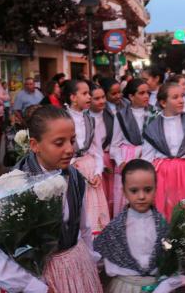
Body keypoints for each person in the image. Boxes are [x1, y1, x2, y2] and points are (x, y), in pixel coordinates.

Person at [0, 106, 102, 293]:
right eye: (59, 143)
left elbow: (82, 226)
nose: (70, 149)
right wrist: (35, 287)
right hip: (36, 279)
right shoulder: (15, 189)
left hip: (75, 268)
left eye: (72, 140)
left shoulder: (75, 178)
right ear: (34, 145)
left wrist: (89, 260)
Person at [94, 159, 185, 293]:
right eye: (134, 190)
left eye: (148, 190)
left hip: (156, 285)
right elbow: (100, 253)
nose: (141, 196)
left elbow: (169, 250)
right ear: (124, 191)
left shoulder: (161, 224)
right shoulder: (115, 228)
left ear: (156, 189)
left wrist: (177, 259)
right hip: (125, 286)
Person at [142, 83, 185, 220]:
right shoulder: (153, 126)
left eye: (182, 96)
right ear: (163, 102)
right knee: (164, 216)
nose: (181, 100)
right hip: (161, 178)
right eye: (175, 97)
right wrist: (146, 185)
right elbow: (147, 158)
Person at [62, 80, 110, 233]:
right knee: (74, 208)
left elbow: (97, 151)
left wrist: (97, 172)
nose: (89, 97)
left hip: (89, 171)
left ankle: (93, 246)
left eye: (89, 93)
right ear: (73, 97)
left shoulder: (90, 120)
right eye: (84, 94)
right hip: (69, 169)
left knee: (92, 214)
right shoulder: (62, 119)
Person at [110, 79, 151, 216]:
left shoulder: (154, 113)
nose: (146, 96)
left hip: (149, 157)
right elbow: (115, 144)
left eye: (148, 93)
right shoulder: (121, 116)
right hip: (128, 159)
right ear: (131, 96)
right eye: (142, 93)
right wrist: (121, 162)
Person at [89, 84, 116, 218]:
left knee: (111, 194)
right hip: (93, 163)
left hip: (110, 158)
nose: (102, 101)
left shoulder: (111, 115)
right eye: (97, 98)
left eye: (103, 97)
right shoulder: (85, 119)